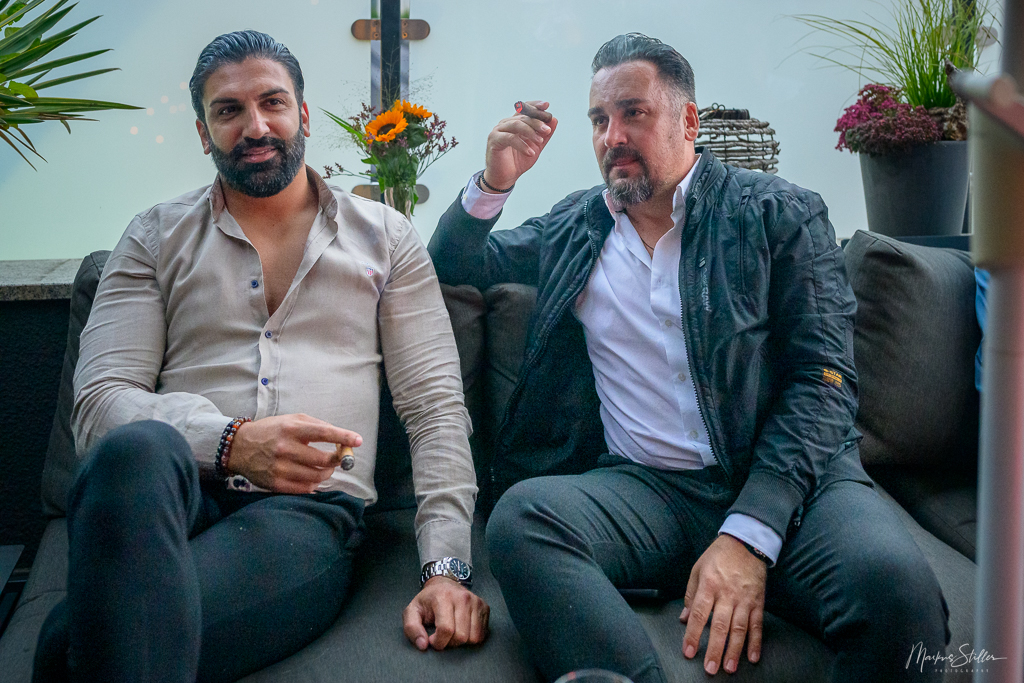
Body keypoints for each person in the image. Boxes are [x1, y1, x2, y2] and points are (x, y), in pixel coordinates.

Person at [429, 32, 949, 683]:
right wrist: (494, 180)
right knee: (521, 520)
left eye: (634, 113)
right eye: (599, 119)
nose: (613, 136)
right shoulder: (575, 226)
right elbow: (454, 264)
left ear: (689, 120)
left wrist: (750, 531)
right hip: (647, 493)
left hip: (788, 486)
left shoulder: (780, 215)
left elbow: (825, 383)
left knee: (896, 589)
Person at [33, 30, 487, 683]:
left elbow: (435, 407)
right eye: (229, 110)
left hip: (303, 512)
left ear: (304, 114)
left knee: (66, 649)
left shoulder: (386, 237)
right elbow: (100, 408)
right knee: (134, 448)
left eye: (273, 102)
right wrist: (231, 443)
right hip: (163, 497)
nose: (255, 126)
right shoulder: (154, 236)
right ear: (203, 132)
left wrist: (445, 569)